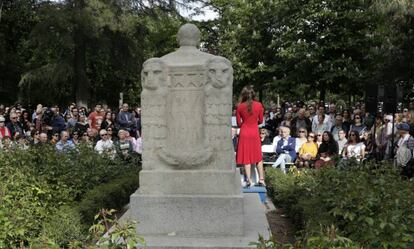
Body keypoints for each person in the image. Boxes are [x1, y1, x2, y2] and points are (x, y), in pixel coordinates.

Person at [236, 86, 265, 187]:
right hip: (254, 132)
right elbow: (261, 121)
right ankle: (261, 179)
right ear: (253, 94)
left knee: (246, 157)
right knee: (258, 156)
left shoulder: (240, 107)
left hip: (244, 132)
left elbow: (238, 123)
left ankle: (249, 180)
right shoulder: (259, 105)